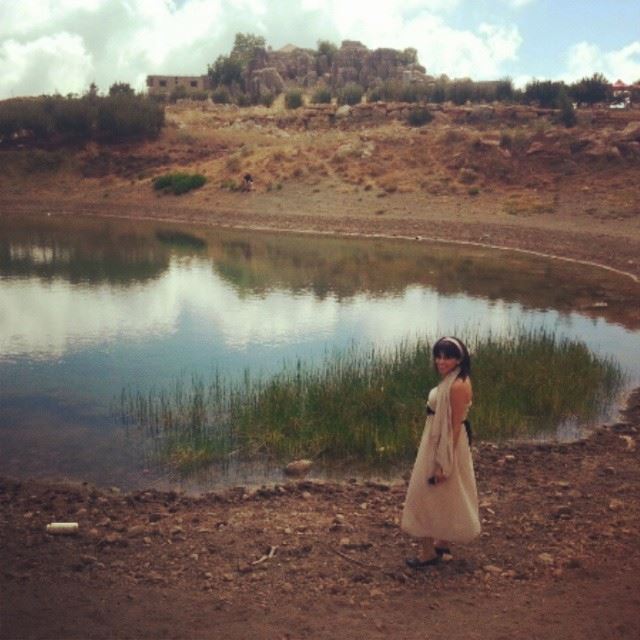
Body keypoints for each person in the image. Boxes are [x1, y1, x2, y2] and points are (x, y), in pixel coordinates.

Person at [401, 336, 480, 568]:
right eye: (438, 356)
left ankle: (427, 553)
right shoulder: (455, 379)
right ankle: (443, 543)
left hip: (444, 443)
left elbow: (453, 427)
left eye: (447, 357)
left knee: (423, 493)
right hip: (438, 439)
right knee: (448, 493)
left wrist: (443, 462)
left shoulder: (457, 386)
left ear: (459, 359)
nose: (441, 361)